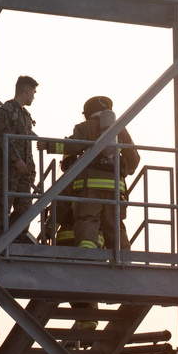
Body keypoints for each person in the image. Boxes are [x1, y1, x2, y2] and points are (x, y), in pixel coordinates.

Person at [63, 95, 140, 250]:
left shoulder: (85, 127)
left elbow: (71, 147)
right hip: (115, 188)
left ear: (87, 112)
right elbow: (134, 159)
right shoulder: (120, 129)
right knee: (115, 225)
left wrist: (48, 146)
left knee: (88, 220)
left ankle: (87, 255)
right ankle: (123, 260)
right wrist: (127, 170)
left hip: (90, 187)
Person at [0, 75, 38, 237]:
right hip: (9, 168)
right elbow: (2, 135)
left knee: (25, 207)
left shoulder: (25, 115)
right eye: (33, 92)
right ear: (26, 90)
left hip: (24, 171)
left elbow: (27, 144)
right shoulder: (7, 110)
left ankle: (14, 237)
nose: (33, 96)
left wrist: (31, 169)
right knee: (2, 205)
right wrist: (16, 159)